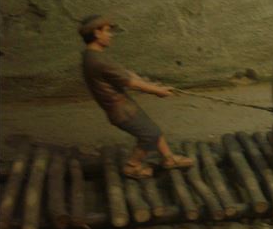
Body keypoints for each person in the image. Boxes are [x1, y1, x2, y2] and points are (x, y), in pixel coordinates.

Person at [79, 14, 194, 179]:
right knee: (150, 134)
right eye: (107, 31)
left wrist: (152, 84)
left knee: (152, 128)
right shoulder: (98, 60)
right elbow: (130, 82)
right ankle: (132, 166)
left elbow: (124, 73)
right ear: (97, 33)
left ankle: (168, 158)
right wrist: (156, 91)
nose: (110, 35)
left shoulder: (92, 55)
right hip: (120, 108)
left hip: (123, 103)